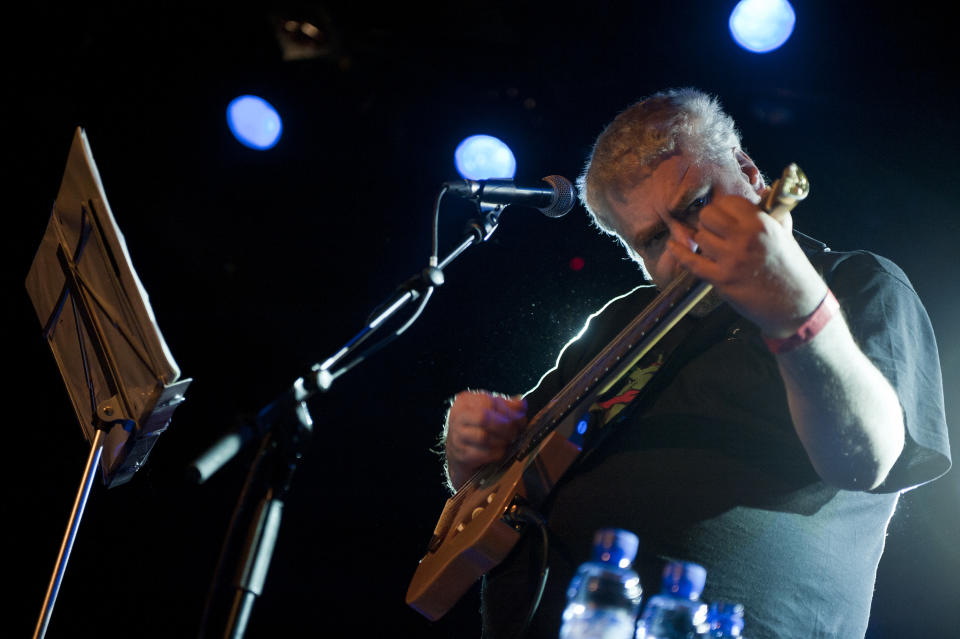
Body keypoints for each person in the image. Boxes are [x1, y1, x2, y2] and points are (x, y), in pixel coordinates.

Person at [439, 88, 951, 638]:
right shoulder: (620, 323)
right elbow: (509, 475)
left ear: (750, 173)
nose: (685, 246)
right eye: (655, 238)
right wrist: (470, 452)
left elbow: (868, 460)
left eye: (698, 204)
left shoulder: (854, 282)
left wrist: (797, 310)